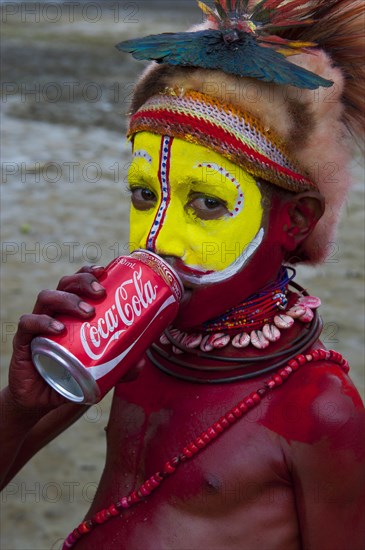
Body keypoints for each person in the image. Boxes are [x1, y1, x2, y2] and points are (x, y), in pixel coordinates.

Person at [1, 1, 364, 548]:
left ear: (295, 220)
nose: (157, 240)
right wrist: (20, 405)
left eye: (208, 204)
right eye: (145, 195)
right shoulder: (131, 340)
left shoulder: (318, 407)